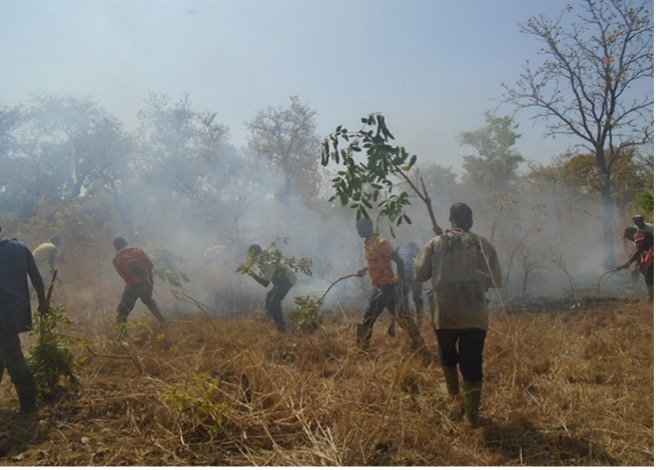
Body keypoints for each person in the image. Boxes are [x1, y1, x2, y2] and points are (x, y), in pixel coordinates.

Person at [413, 203, 502, 427]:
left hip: (445, 314)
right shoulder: (484, 244)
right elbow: (495, 281)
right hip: (475, 315)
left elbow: (420, 275)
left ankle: (453, 397)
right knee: (472, 362)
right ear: (470, 221)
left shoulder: (435, 243)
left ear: (450, 219)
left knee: (448, 356)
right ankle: (471, 416)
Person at [354, 218, 424, 351]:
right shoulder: (369, 244)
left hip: (384, 287)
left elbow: (399, 261)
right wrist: (364, 270)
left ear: (369, 228)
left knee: (367, 318)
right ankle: (419, 341)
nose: (358, 231)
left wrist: (402, 281)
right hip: (384, 286)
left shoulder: (381, 243)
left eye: (360, 229)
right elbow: (376, 261)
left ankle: (361, 349)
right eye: (357, 229)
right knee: (402, 316)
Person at [0, 226, 48, 414]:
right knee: (6, 355)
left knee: (12, 358)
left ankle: (29, 407)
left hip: (2, 316)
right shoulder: (21, 247)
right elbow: (35, 276)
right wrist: (42, 301)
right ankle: (29, 406)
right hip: (14, 312)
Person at [243, 244, 296, 332]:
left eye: (252, 255)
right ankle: (267, 316)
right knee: (269, 296)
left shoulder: (268, 262)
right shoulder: (262, 259)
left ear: (256, 254)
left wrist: (251, 273)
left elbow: (265, 283)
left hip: (287, 280)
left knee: (275, 301)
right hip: (279, 282)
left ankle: (280, 327)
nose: (251, 257)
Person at [112, 237, 165, 325]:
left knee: (122, 311)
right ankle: (162, 321)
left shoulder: (116, 259)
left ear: (116, 247)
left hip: (133, 285)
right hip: (146, 282)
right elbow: (150, 265)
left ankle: (121, 335)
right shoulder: (137, 250)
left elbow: (123, 275)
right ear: (126, 242)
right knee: (149, 301)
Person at [616, 229, 654, 301]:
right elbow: (641, 252)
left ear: (631, 233)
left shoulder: (637, 235)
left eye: (628, 237)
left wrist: (628, 263)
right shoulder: (642, 234)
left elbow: (638, 251)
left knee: (649, 279)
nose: (629, 239)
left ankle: (652, 298)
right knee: (643, 272)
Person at [396, 242, 425, 324]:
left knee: (417, 299)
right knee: (404, 300)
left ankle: (418, 321)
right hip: (404, 278)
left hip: (415, 277)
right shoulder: (398, 249)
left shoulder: (413, 246)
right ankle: (409, 321)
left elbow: (420, 259)